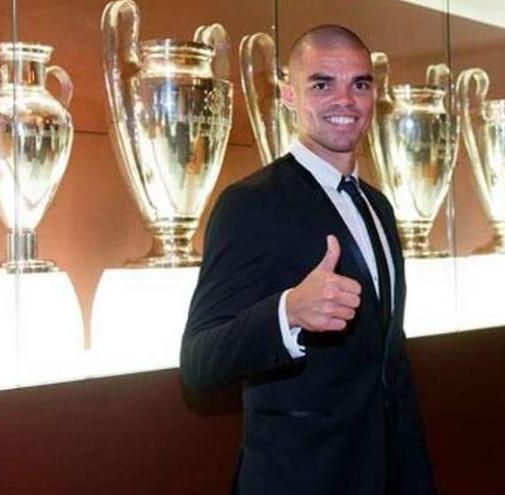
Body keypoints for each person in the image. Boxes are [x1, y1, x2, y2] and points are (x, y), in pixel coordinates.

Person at [180, 24, 435, 495]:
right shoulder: (250, 203)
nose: (345, 101)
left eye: (359, 83)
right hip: (297, 477)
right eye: (322, 84)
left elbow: (390, 364)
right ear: (289, 96)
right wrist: (287, 313)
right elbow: (198, 362)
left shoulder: (379, 206)